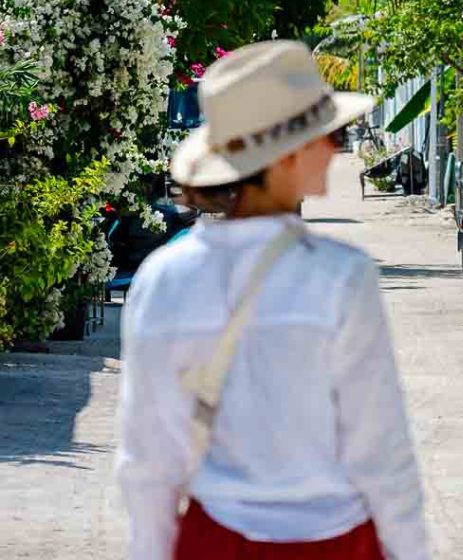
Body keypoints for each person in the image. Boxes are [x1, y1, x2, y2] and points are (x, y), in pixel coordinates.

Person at [116, 40, 429, 560]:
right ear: (285, 154)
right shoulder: (339, 277)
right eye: (326, 135)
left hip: (212, 540)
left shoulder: (163, 278)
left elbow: (147, 461)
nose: (334, 148)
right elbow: (381, 452)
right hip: (338, 543)